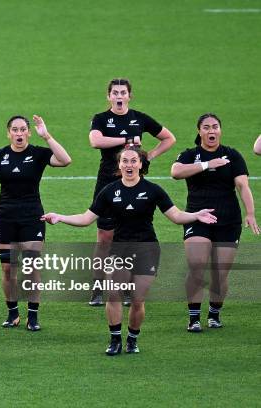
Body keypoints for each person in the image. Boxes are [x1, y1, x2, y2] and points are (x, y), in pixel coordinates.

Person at [42, 146, 216, 355]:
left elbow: (176, 216)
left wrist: (196, 215)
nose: (129, 165)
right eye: (125, 161)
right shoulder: (109, 191)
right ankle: (115, 340)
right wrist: (60, 217)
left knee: (137, 300)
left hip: (147, 249)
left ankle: (132, 338)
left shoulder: (153, 190)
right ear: (119, 165)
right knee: (113, 295)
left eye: (133, 161)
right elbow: (86, 218)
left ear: (141, 164)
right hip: (119, 249)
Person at [0, 115, 71, 331]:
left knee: (32, 268)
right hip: (5, 218)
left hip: (32, 217)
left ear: (29, 132)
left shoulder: (38, 153)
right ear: (9, 133)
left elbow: (65, 160)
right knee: (8, 269)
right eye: (15, 130)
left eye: (23, 129)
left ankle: (33, 316)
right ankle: (12, 312)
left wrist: (47, 136)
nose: (19, 133)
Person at [87, 78, 176, 307]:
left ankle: (126, 287)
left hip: (134, 184)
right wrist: (127, 140)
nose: (119, 96)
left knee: (128, 236)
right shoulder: (101, 119)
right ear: (108, 96)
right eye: (114, 92)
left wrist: (149, 156)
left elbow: (169, 138)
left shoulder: (139, 118)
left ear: (129, 96)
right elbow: (95, 141)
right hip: (107, 182)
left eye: (123, 92)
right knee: (105, 238)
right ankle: (97, 287)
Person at [171, 113, 259, 332]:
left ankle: (214, 313)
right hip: (198, 216)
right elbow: (176, 172)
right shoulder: (190, 154)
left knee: (220, 272)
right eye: (207, 127)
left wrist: (250, 213)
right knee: (197, 265)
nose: (212, 131)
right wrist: (207, 164)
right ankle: (193, 318)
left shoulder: (232, 155)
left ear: (220, 130)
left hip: (228, 219)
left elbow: (242, 185)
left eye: (215, 127)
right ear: (199, 131)